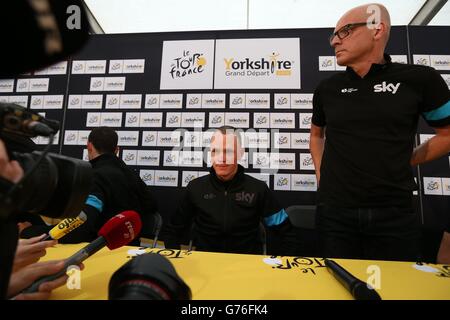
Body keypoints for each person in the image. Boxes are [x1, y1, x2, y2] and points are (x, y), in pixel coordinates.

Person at [310, 3, 450, 261]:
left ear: (377, 29)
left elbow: (448, 134)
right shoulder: (327, 88)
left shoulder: (421, 79)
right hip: (334, 212)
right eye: (334, 35)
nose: (334, 42)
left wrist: (407, 158)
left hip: (393, 213)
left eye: (345, 31)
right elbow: (316, 136)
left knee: (395, 289)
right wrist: (322, 173)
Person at [165, 126, 296, 254]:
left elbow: (287, 233)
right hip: (205, 265)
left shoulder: (258, 189)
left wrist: (277, 267)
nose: (221, 158)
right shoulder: (195, 188)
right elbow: (172, 231)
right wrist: (179, 262)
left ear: (240, 153)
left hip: (246, 266)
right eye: (215, 151)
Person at [21, 127, 158, 245]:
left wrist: (30, 231)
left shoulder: (93, 176)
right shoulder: (132, 175)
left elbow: (79, 228)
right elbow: (151, 207)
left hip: (99, 252)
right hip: (129, 250)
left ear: (89, 146)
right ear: (116, 150)